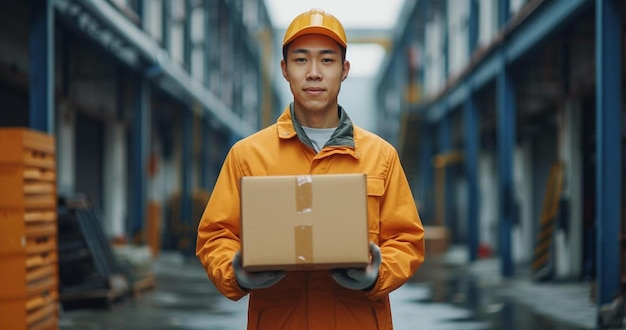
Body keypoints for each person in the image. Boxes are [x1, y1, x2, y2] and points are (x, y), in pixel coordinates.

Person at [196, 8, 425, 329]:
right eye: (301, 60)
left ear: (344, 70)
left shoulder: (380, 156)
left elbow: (407, 240)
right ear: (285, 69)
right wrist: (236, 272)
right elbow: (215, 236)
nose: (314, 72)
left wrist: (379, 272)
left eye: (327, 60)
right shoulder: (247, 155)